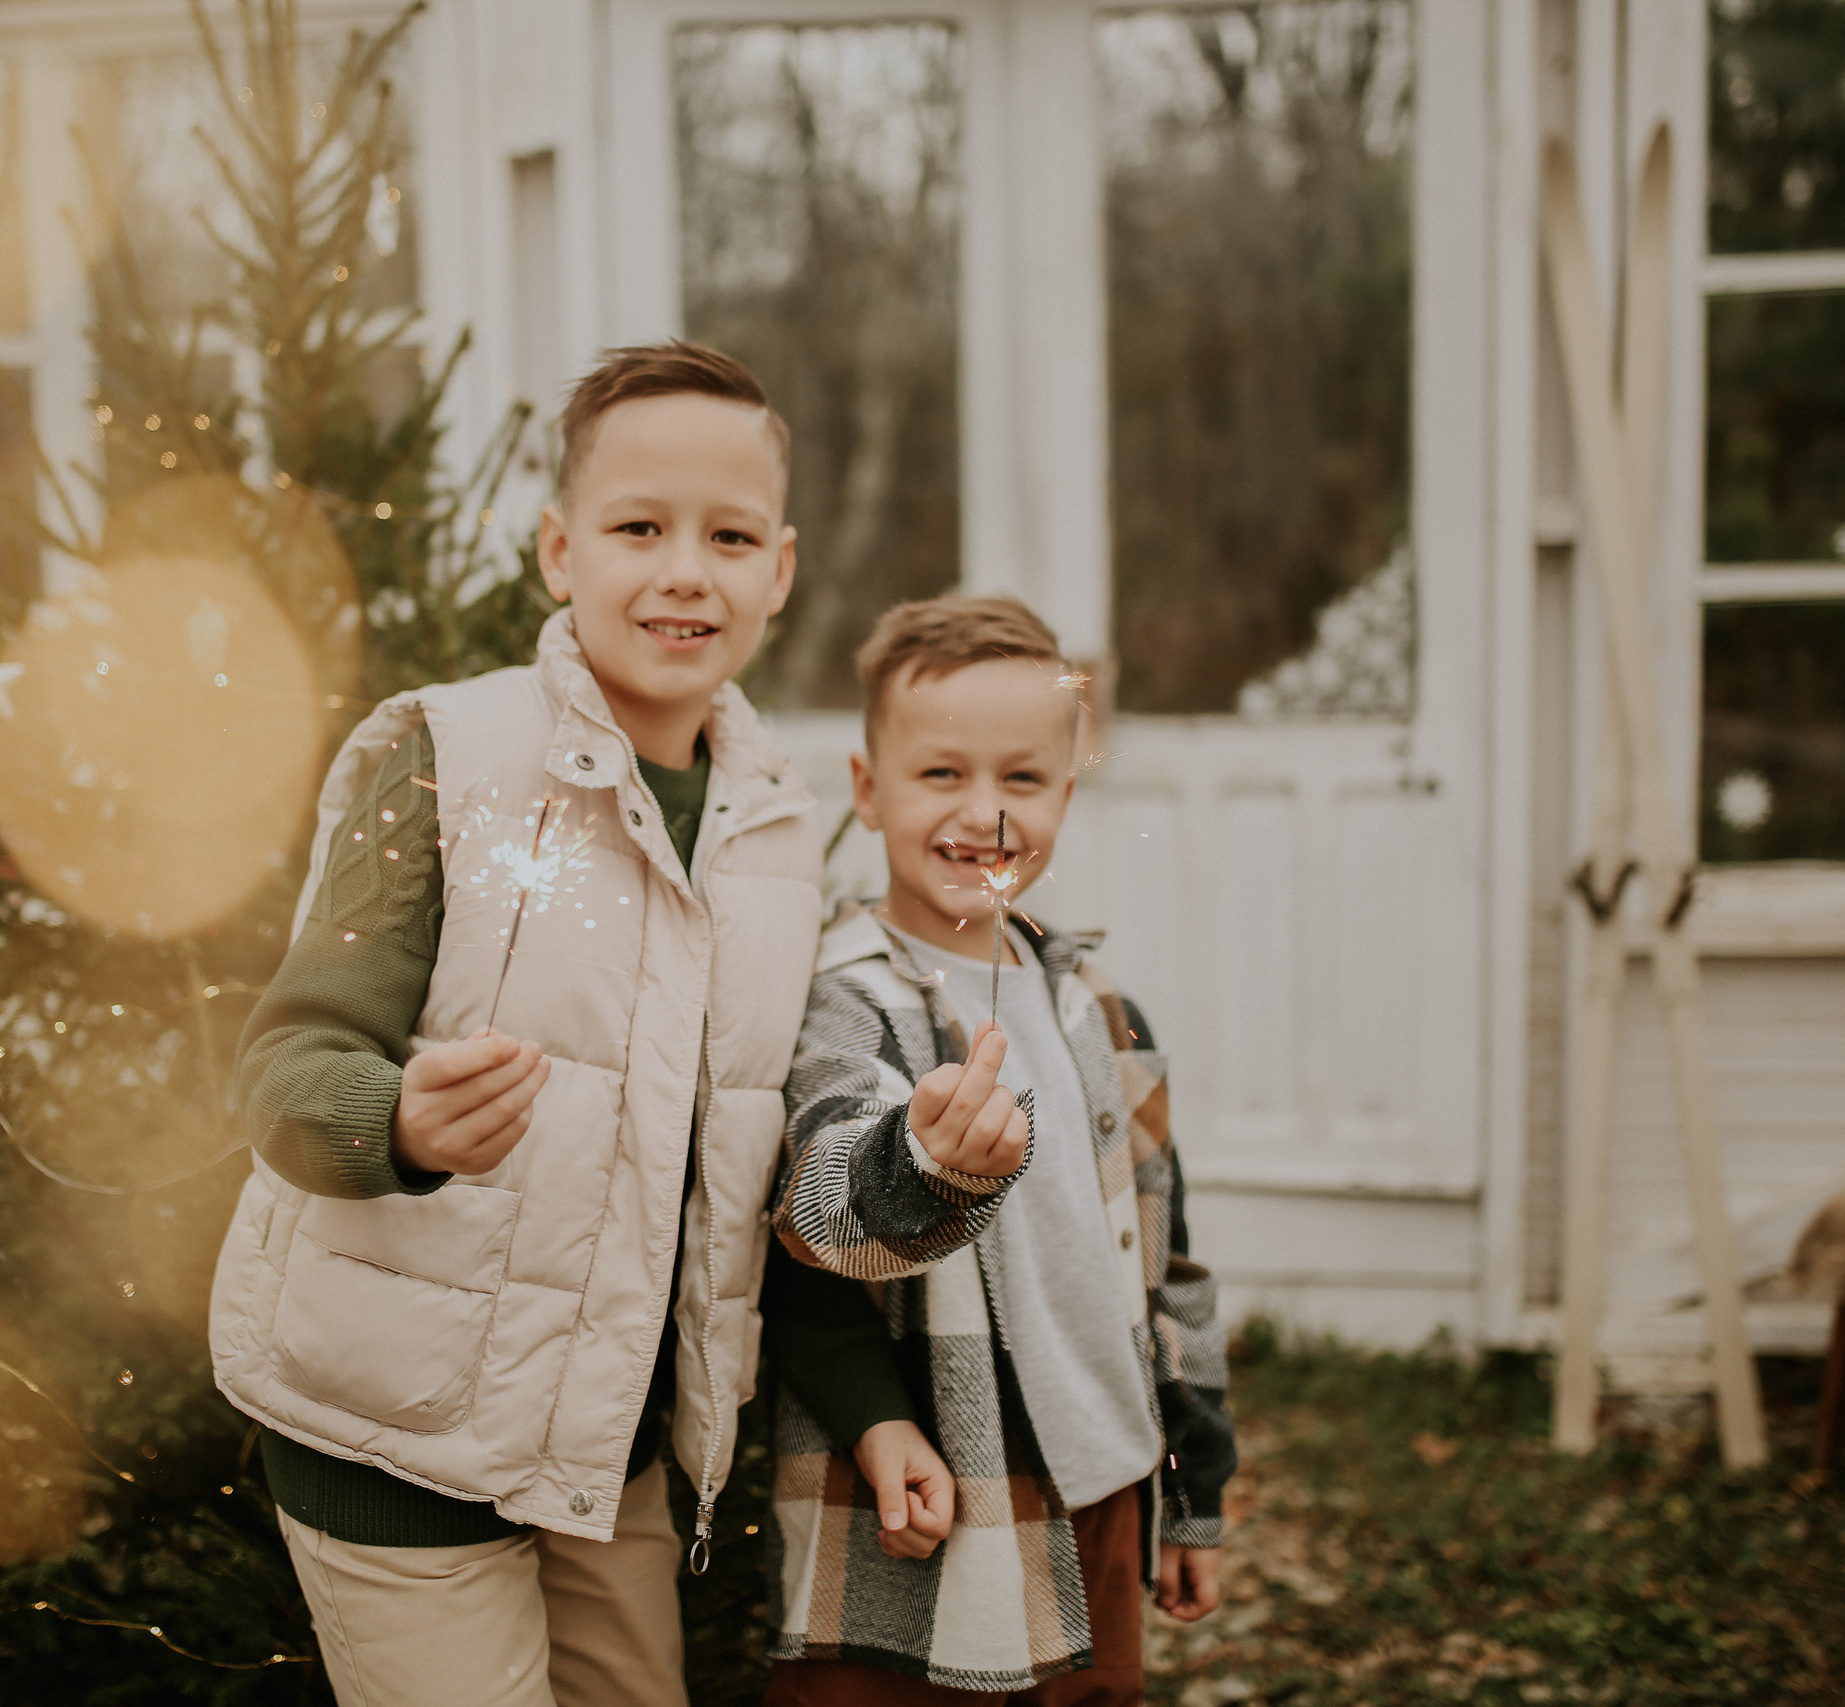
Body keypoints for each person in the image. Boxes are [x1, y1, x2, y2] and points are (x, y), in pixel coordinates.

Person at [207, 342, 1019, 1707]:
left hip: (606, 1450)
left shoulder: (774, 834)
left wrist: (886, 1346)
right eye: (639, 527)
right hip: (394, 1439)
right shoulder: (447, 762)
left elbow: (752, 1184)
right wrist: (393, 1118)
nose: (685, 570)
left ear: (781, 569)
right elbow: (283, 1067)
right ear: (558, 551)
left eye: (729, 536)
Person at [759, 594, 1237, 1705]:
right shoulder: (844, 1001)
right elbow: (814, 1220)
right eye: (941, 773)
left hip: (1106, 1481)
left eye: (1023, 777)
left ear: (1065, 792)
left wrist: (1191, 1492)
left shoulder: (1103, 1011)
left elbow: (1168, 1266)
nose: (985, 811)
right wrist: (920, 1166)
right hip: (925, 1498)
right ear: (868, 788)